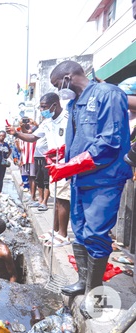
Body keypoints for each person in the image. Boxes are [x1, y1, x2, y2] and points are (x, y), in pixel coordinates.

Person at [48, 60, 131, 318]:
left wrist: (70, 166)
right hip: (81, 178)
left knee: (96, 234)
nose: (58, 90)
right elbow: (82, 137)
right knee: (80, 231)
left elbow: (109, 142)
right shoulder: (74, 103)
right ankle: (83, 282)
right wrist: (63, 153)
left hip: (104, 178)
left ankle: (96, 294)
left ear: (69, 77)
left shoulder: (109, 95)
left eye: (57, 84)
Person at [6, 93, 70, 245]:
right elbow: (33, 137)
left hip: (65, 163)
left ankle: (63, 235)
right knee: (56, 200)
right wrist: (16, 133)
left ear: (55, 104)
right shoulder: (47, 122)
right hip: (53, 164)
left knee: (63, 200)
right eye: (40, 107)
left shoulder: (68, 118)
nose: (42, 110)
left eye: (44, 107)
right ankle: (55, 231)